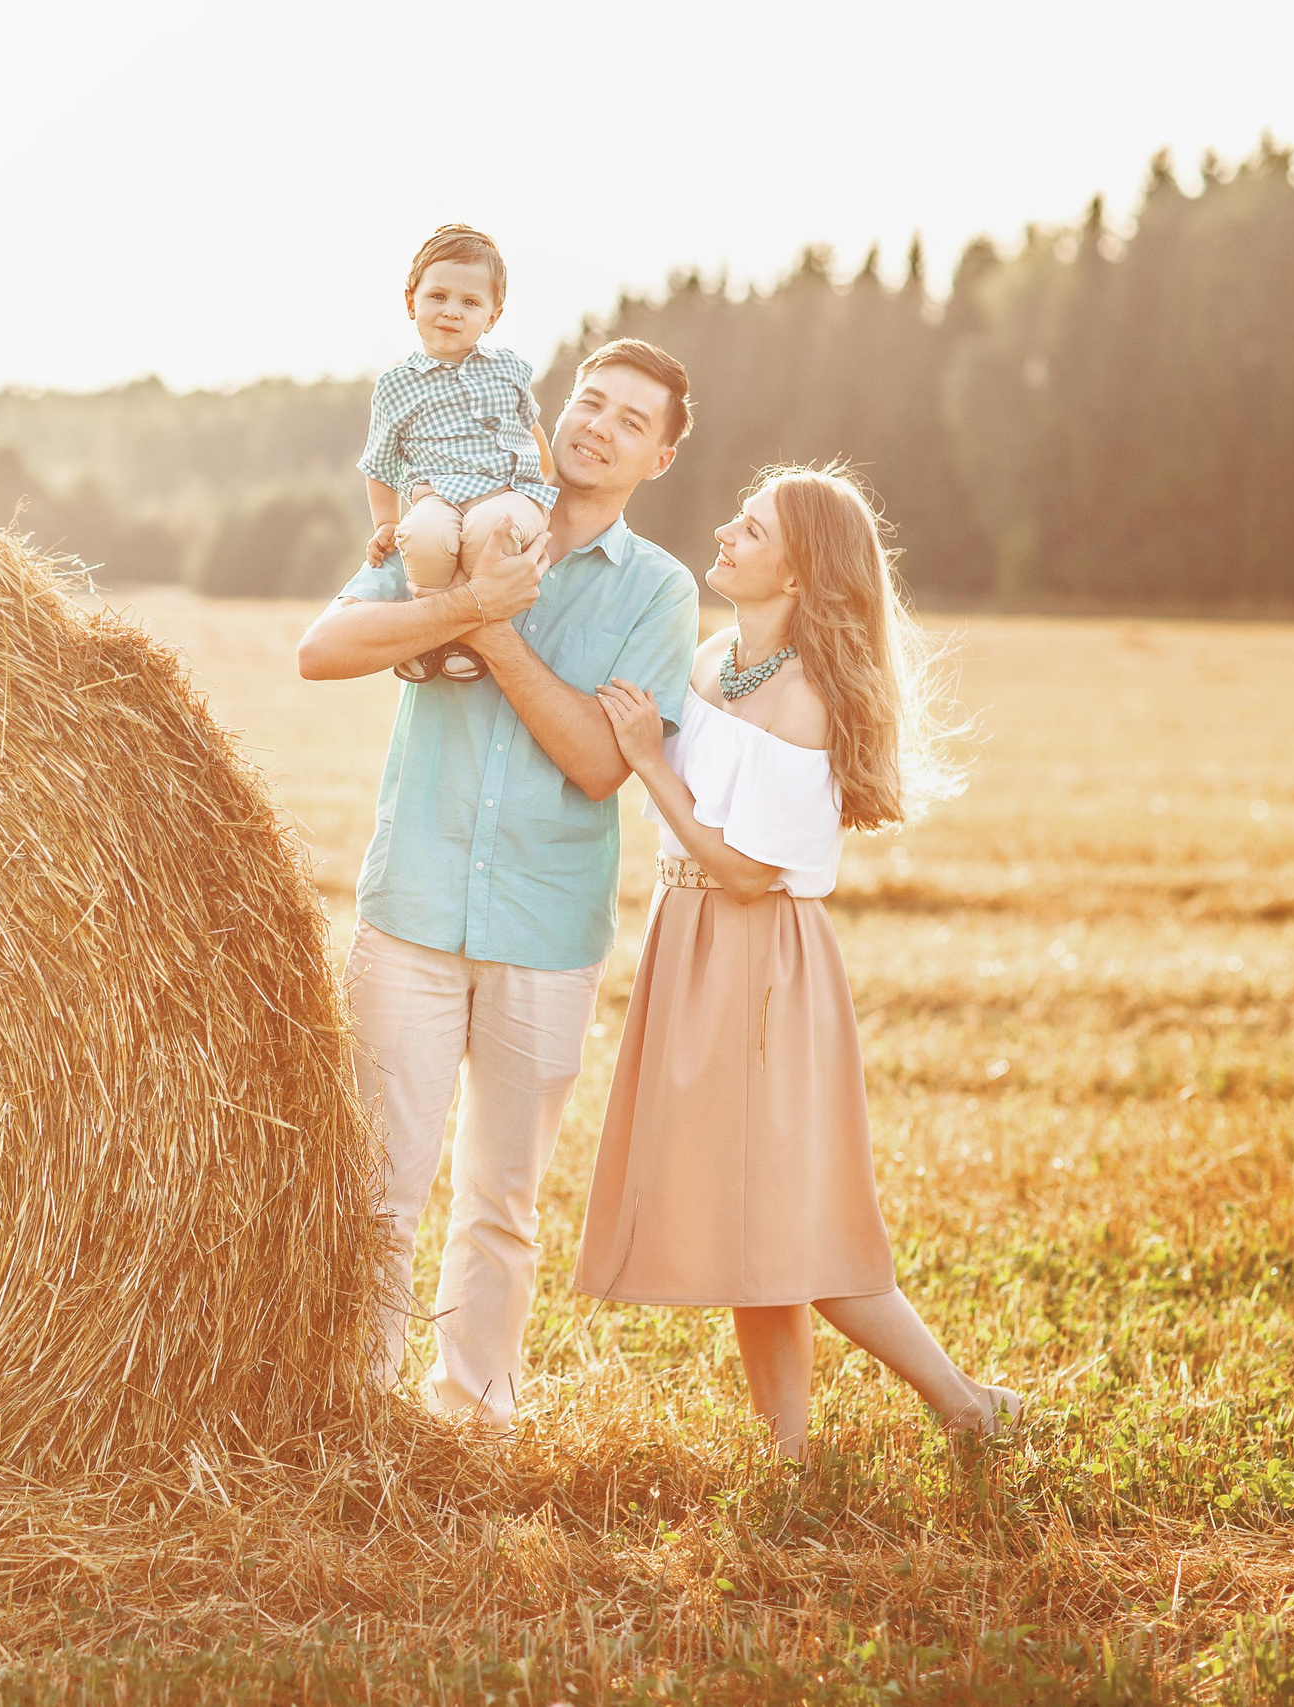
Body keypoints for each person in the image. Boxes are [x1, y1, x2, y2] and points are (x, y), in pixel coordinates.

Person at [573, 464, 1021, 1457]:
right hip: (687, 948)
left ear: (802, 578)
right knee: (752, 1235)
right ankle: (789, 1462)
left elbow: (740, 873)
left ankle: (967, 1408)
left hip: (759, 964)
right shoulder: (712, 660)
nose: (726, 534)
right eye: (737, 519)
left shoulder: (803, 704)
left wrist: (648, 757)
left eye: (753, 530)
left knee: (791, 1224)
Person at [299, 338, 700, 1433]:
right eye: (589, 401)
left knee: (500, 1203)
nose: (597, 425)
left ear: (657, 459)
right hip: (413, 908)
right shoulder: (443, 519)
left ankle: (472, 1420)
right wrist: (453, 600)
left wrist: (491, 625)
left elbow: (595, 761)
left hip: (545, 925)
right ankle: (354, 1408)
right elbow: (323, 649)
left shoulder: (660, 594)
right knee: (380, 1185)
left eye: (630, 421)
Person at [358, 225, 557, 686]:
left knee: (490, 530)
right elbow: (379, 465)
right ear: (411, 302)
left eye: (470, 303)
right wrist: (386, 525)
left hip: (508, 492)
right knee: (422, 534)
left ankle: (473, 639)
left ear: (493, 316)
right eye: (438, 296)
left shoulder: (508, 368)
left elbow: (533, 432)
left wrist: (546, 490)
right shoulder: (395, 386)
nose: (451, 311)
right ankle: (432, 636)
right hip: (437, 497)